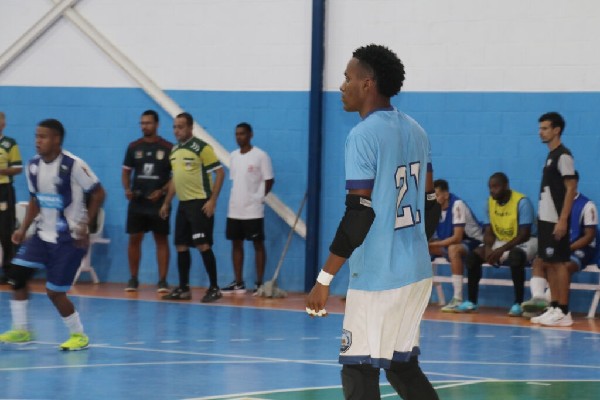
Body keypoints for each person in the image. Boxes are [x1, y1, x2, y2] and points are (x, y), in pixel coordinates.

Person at [306, 44, 439, 400]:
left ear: (367, 83)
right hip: (416, 272)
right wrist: (409, 248)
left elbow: (359, 214)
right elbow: (431, 206)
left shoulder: (363, 136)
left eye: (347, 78)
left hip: (380, 277)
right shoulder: (417, 130)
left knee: (359, 369)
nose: (342, 86)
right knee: (401, 366)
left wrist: (324, 279)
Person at [0, 119, 105, 350]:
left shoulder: (73, 165)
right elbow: (35, 200)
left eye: (43, 136)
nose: (37, 141)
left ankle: (79, 335)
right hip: (41, 235)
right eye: (36, 136)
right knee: (16, 276)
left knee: (55, 293)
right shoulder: (33, 166)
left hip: (69, 240)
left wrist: (85, 224)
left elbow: (99, 193)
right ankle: (22, 330)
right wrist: (23, 229)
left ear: (56, 139)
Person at [160, 112, 224, 303]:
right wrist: (167, 202)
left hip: (199, 203)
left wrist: (212, 201)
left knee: (202, 244)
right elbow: (175, 179)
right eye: (174, 127)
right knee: (180, 245)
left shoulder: (202, 148)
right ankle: (183, 288)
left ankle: (214, 288)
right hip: (183, 204)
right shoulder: (174, 150)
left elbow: (220, 173)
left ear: (190, 128)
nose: (176, 130)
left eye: (180, 127)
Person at [455, 173, 537, 316]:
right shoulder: (490, 202)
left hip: (527, 240)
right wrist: (488, 248)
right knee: (473, 257)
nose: (492, 190)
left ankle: (518, 303)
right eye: (490, 187)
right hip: (503, 240)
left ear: (506, 186)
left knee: (515, 256)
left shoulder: (522, 202)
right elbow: (489, 231)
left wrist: (501, 250)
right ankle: (472, 302)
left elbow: (524, 234)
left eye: (495, 187)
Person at [523, 178, 597, 325]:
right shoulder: (553, 204)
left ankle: (560, 309)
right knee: (539, 261)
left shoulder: (587, 205)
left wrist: (567, 248)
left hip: (580, 249)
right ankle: (541, 303)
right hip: (559, 247)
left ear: (574, 183)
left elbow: (589, 236)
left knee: (563, 265)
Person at [530, 112, 578, 326]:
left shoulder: (563, 156)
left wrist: (563, 220)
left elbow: (571, 188)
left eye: (545, 128)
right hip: (545, 219)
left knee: (559, 264)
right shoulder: (550, 156)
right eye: (540, 128)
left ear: (556, 130)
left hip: (556, 219)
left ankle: (564, 311)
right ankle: (555, 306)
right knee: (548, 263)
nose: (540, 132)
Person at [122, 110, 173, 293]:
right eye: (142, 123)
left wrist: (162, 191)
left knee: (161, 240)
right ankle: (133, 279)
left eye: (148, 123)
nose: (145, 126)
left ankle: (162, 281)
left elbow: (175, 178)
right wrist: (127, 189)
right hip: (138, 202)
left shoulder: (168, 148)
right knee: (134, 239)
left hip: (159, 203)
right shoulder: (133, 147)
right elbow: (126, 172)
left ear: (157, 124)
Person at [222, 122, 274, 294]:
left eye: (242, 133)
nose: (239, 137)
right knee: (236, 244)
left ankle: (259, 283)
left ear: (250, 135)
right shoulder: (233, 156)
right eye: (237, 134)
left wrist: (259, 198)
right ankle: (238, 283)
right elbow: (236, 180)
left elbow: (269, 180)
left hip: (253, 211)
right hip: (235, 209)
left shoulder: (261, 156)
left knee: (258, 244)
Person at [428, 179, 483, 312]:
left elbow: (457, 237)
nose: (434, 199)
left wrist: (434, 244)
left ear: (446, 195)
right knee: (421, 249)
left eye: (437, 195)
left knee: (453, 249)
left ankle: (457, 298)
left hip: (474, 242)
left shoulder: (457, 205)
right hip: (451, 241)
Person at [0, 111, 23, 283]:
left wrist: (2, 171)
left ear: (3, 124)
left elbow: (18, 168)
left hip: (4, 190)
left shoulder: (9, 144)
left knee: (6, 231)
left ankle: (10, 272)